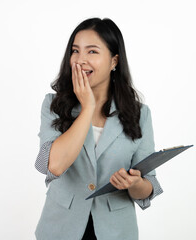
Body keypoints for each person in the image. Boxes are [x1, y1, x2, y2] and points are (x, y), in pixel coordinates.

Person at [34, 17, 163, 240]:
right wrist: (87, 108)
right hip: (61, 229)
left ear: (114, 61)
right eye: (75, 51)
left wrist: (135, 184)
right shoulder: (53, 105)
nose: (80, 60)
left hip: (116, 231)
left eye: (92, 52)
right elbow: (54, 165)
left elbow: (149, 184)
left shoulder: (140, 114)